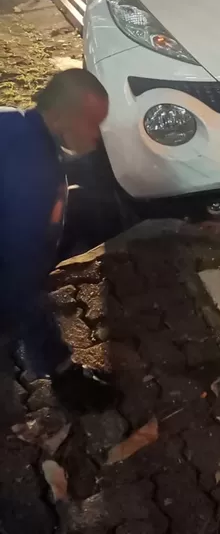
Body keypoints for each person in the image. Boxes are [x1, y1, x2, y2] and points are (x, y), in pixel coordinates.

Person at [0, 69, 117, 412]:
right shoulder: (36, 175)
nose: (98, 136)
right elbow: (23, 280)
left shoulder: (12, 120)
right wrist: (60, 366)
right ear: (63, 116)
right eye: (93, 123)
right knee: (23, 285)